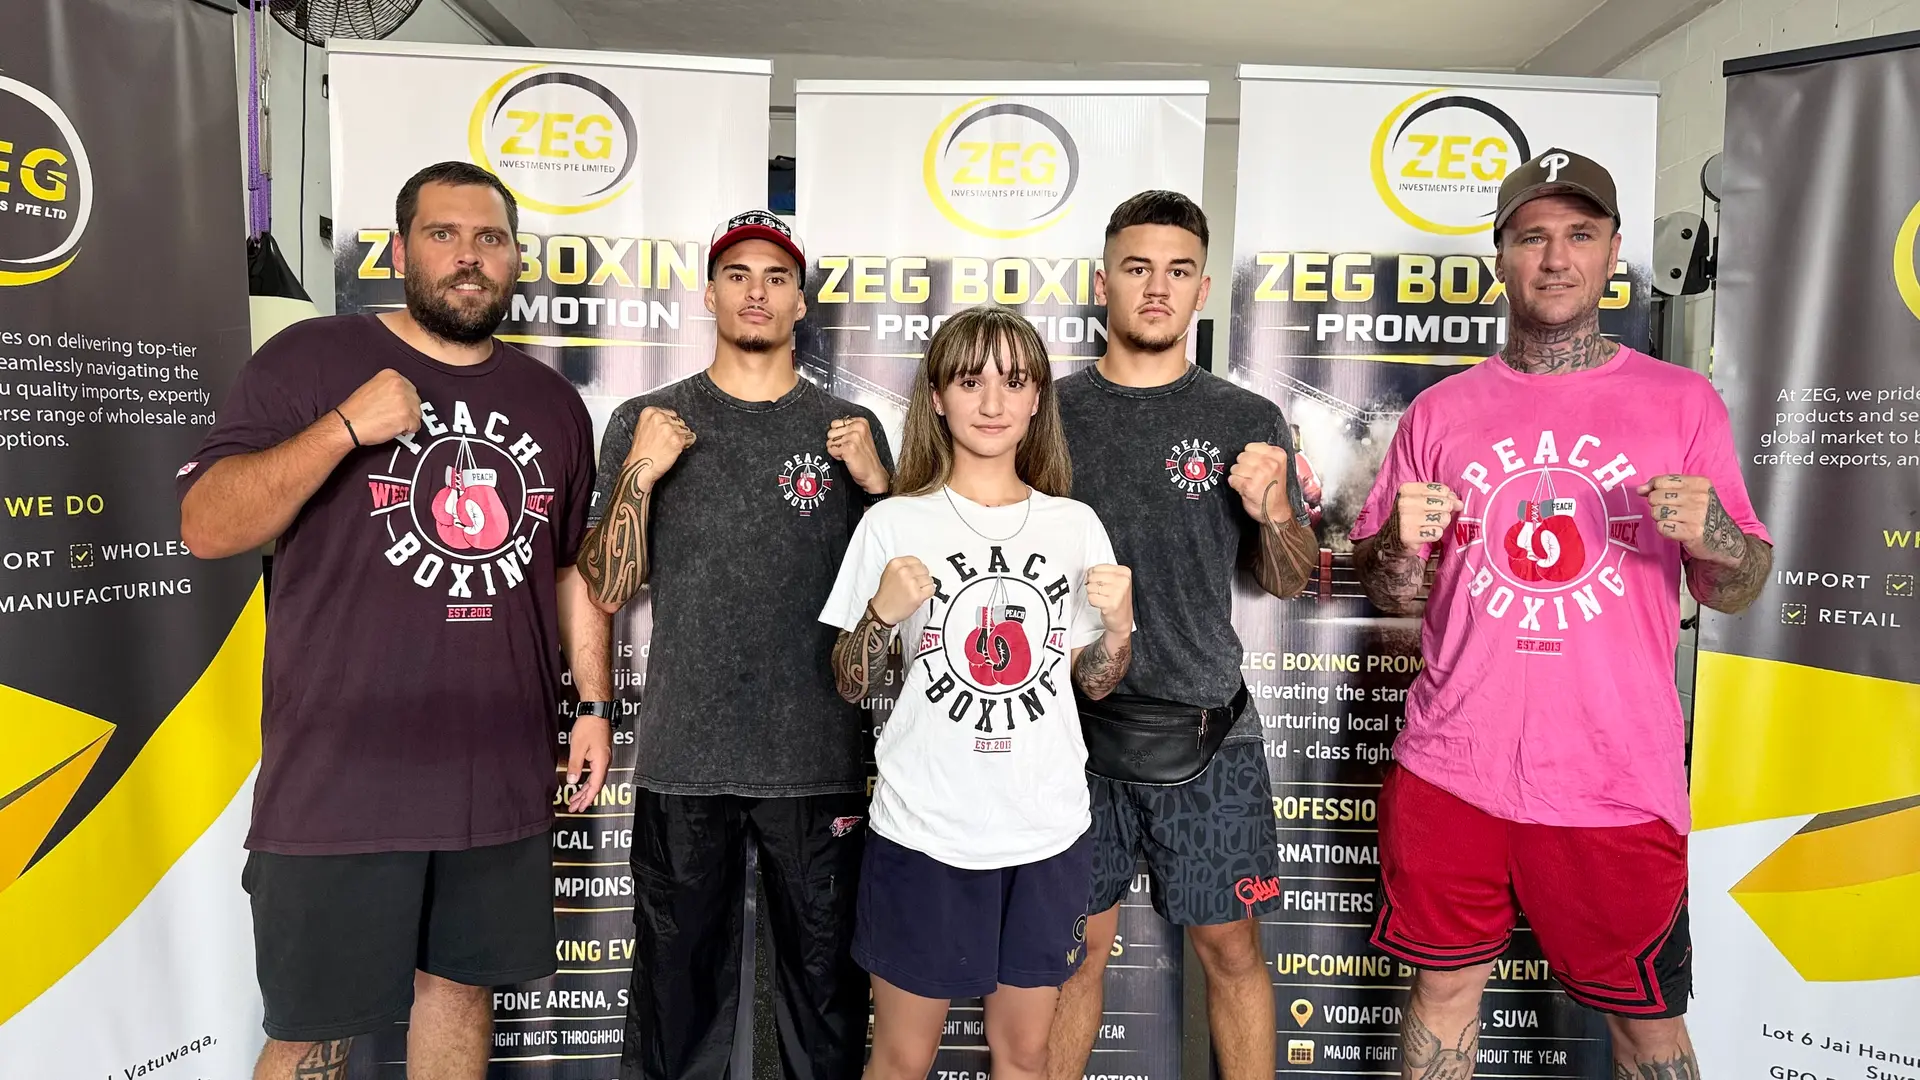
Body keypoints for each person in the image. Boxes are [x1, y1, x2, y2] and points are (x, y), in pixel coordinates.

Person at [178, 161, 612, 1080]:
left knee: (457, 997)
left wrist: (594, 705)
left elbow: (569, 568)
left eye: (489, 239)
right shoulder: (313, 360)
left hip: (493, 780)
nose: (469, 257)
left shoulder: (552, 404)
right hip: (342, 782)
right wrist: (343, 427)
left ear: (515, 259)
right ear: (400, 247)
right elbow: (207, 525)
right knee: (311, 1029)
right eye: (444, 234)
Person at [1350, 148, 1772, 1080]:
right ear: (1500, 255)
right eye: (1532, 236)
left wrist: (1715, 535)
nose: (1556, 258)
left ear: (1614, 252)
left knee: (1648, 1027)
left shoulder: (1682, 401)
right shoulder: (1442, 411)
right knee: (1443, 998)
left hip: (1617, 778)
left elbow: (1741, 583)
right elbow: (1393, 594)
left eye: (1580, 234)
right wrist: (1397, 548)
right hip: (1453, 766)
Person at [578, 211, 893, 1080]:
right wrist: (641, 472)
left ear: (800, 302)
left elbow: (903, 596)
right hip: (687, 756)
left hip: (818, 752)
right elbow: (606, 588)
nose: (757, 291)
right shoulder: (649, 419)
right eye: (739, 274)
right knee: (676, 999)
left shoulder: (850, 429)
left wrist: (879, 485)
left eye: (777, 277)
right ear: (710, 293)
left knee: (824, 1003)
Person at [821, 305, 1135, 1080]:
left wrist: (1122, 631)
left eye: (1013, 381)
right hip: (925, 830)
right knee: (900, 1058)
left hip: (1044, 831)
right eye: (970, 381)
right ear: (936, 397)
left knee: (1025, 1056)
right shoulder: (894, 523)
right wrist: (876, 615)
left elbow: (1090, 682)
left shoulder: (1074, 525)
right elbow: (847, 678)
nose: (992, 402)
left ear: (1036, 401)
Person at [1048, 191, 1320, 1080]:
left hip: (1207, 728)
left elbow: (1285, 578)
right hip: (1064, 729)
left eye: (1175, 271)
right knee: (1069, 959)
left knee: (1232, 953)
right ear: (1104, 281)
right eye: (1136, 268)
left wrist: (1274, 508)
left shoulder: (1246, 419)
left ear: (1203, 288)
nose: (1155, 289)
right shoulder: (1041, 414)